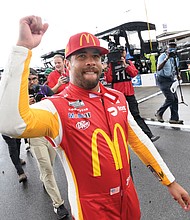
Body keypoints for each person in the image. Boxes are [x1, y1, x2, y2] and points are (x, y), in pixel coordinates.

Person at [0, 15, 190, 220]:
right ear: (67, 64)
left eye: (95, 56)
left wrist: (169, 181)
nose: (90, 62)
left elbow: (139, 141)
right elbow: (11, 123)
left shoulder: (117, 98)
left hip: (129, 200)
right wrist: (22, 49)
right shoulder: (56, 107)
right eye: (81, 56)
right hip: (91, 210)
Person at [28, 68, 69, 219]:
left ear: (38, 78)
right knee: (47, 169)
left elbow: (58, 104)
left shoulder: (44, 89)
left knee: (49, 166)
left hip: (50, 134)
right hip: (35, 135)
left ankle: (44, 179)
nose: (32, 82)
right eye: (29, 79)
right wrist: (25, 105)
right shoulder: (19, 95)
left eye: (34, 79)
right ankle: (58, 204)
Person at [104, 46, 160, 142]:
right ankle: (118, 139)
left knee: (136, 115)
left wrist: (125, 65)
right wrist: (107, 68)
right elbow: (108, 79)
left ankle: (149, 135)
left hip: (129, 93)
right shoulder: (111, 65)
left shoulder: (128, 62)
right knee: (118, 117)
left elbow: (134, 73)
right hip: (118, 96)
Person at [155, 42, 183, 124]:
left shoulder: (175, 58)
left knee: (175, 99)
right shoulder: (162, 56)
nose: (172, 49)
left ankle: (174, 119)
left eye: (174, 47)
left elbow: (176, 68)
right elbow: (159, 68)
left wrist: (178, 75)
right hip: (162, 79)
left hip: (171, 79)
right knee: (170, 98)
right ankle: (159, 113)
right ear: (167, 48)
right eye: (170, 47)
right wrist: (166, 58)